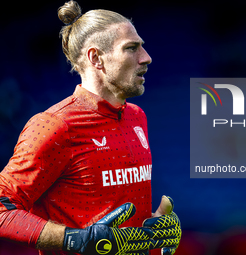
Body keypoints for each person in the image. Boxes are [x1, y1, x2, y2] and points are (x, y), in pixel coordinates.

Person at [0, 1, 181, 255]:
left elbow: (111, 223)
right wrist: (77, 239)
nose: (146, 57)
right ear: (96, 58)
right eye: (131, 48)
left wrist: (154, 227)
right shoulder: (54, 125)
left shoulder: (137, 117)